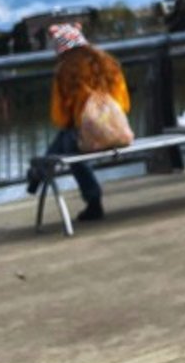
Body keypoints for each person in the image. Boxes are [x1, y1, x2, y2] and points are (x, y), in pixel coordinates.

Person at [26, 23, 129, 222]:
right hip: (118, 130)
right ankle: (39, 171)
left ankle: (90, 198)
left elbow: (61, 118)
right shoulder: (109, 64)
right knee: (67, 140)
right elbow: (123, 104)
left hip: (87, 136)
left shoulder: (65, 72)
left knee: (68, 141)